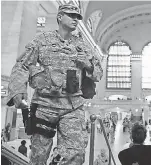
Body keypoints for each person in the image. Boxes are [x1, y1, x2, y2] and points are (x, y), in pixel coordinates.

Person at [6, 3, 103, 165]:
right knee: (39, 155)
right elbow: (22, 65)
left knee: (75, 153)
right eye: (71, 16)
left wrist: (88, 64)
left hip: (73, 105)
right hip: (45, 105)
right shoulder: (42, 40)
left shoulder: (84, 46)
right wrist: (17, 91)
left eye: (78, 17)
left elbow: (98, 74)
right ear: (59, 17)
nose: (76, 20)